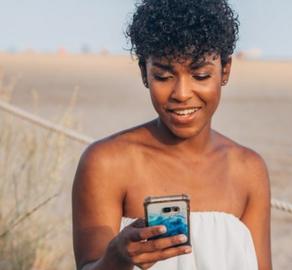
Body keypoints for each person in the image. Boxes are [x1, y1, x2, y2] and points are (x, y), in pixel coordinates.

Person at [71, 0, 272, 269]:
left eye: (200, 75)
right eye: (163, 76)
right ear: (144, 73)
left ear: (225, 71)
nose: (181, 93)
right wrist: (116, 257)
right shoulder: (106, 163)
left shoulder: (248, 169)